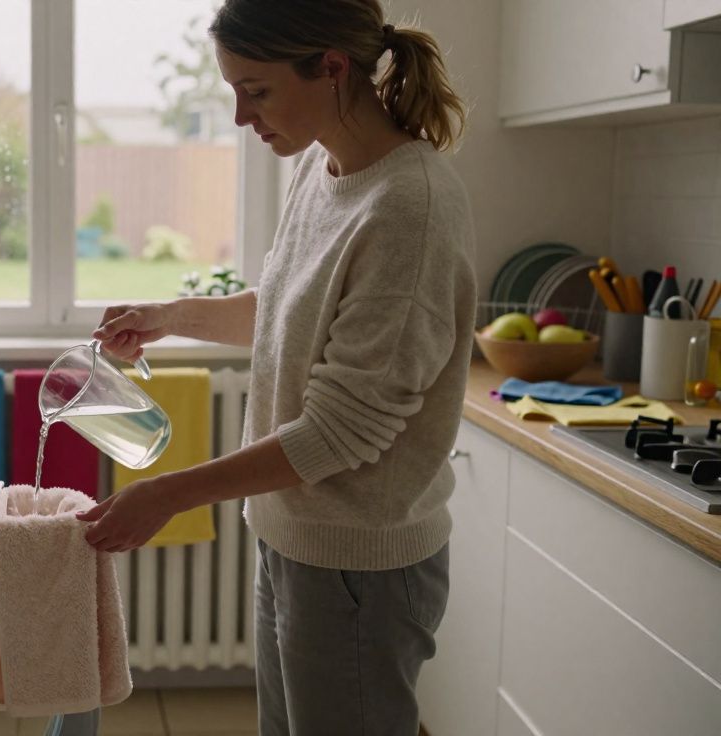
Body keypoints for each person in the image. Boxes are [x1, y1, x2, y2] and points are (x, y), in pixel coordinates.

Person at [75, 1, 475, 733]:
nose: (238, 117)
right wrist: (172, 316)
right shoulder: (323, 171)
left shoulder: (408, 208)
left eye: (255, 91)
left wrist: (167, 493)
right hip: (294, 539)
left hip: (361, 568)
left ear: (331, 67)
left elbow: (339, 433)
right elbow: (291, 308)